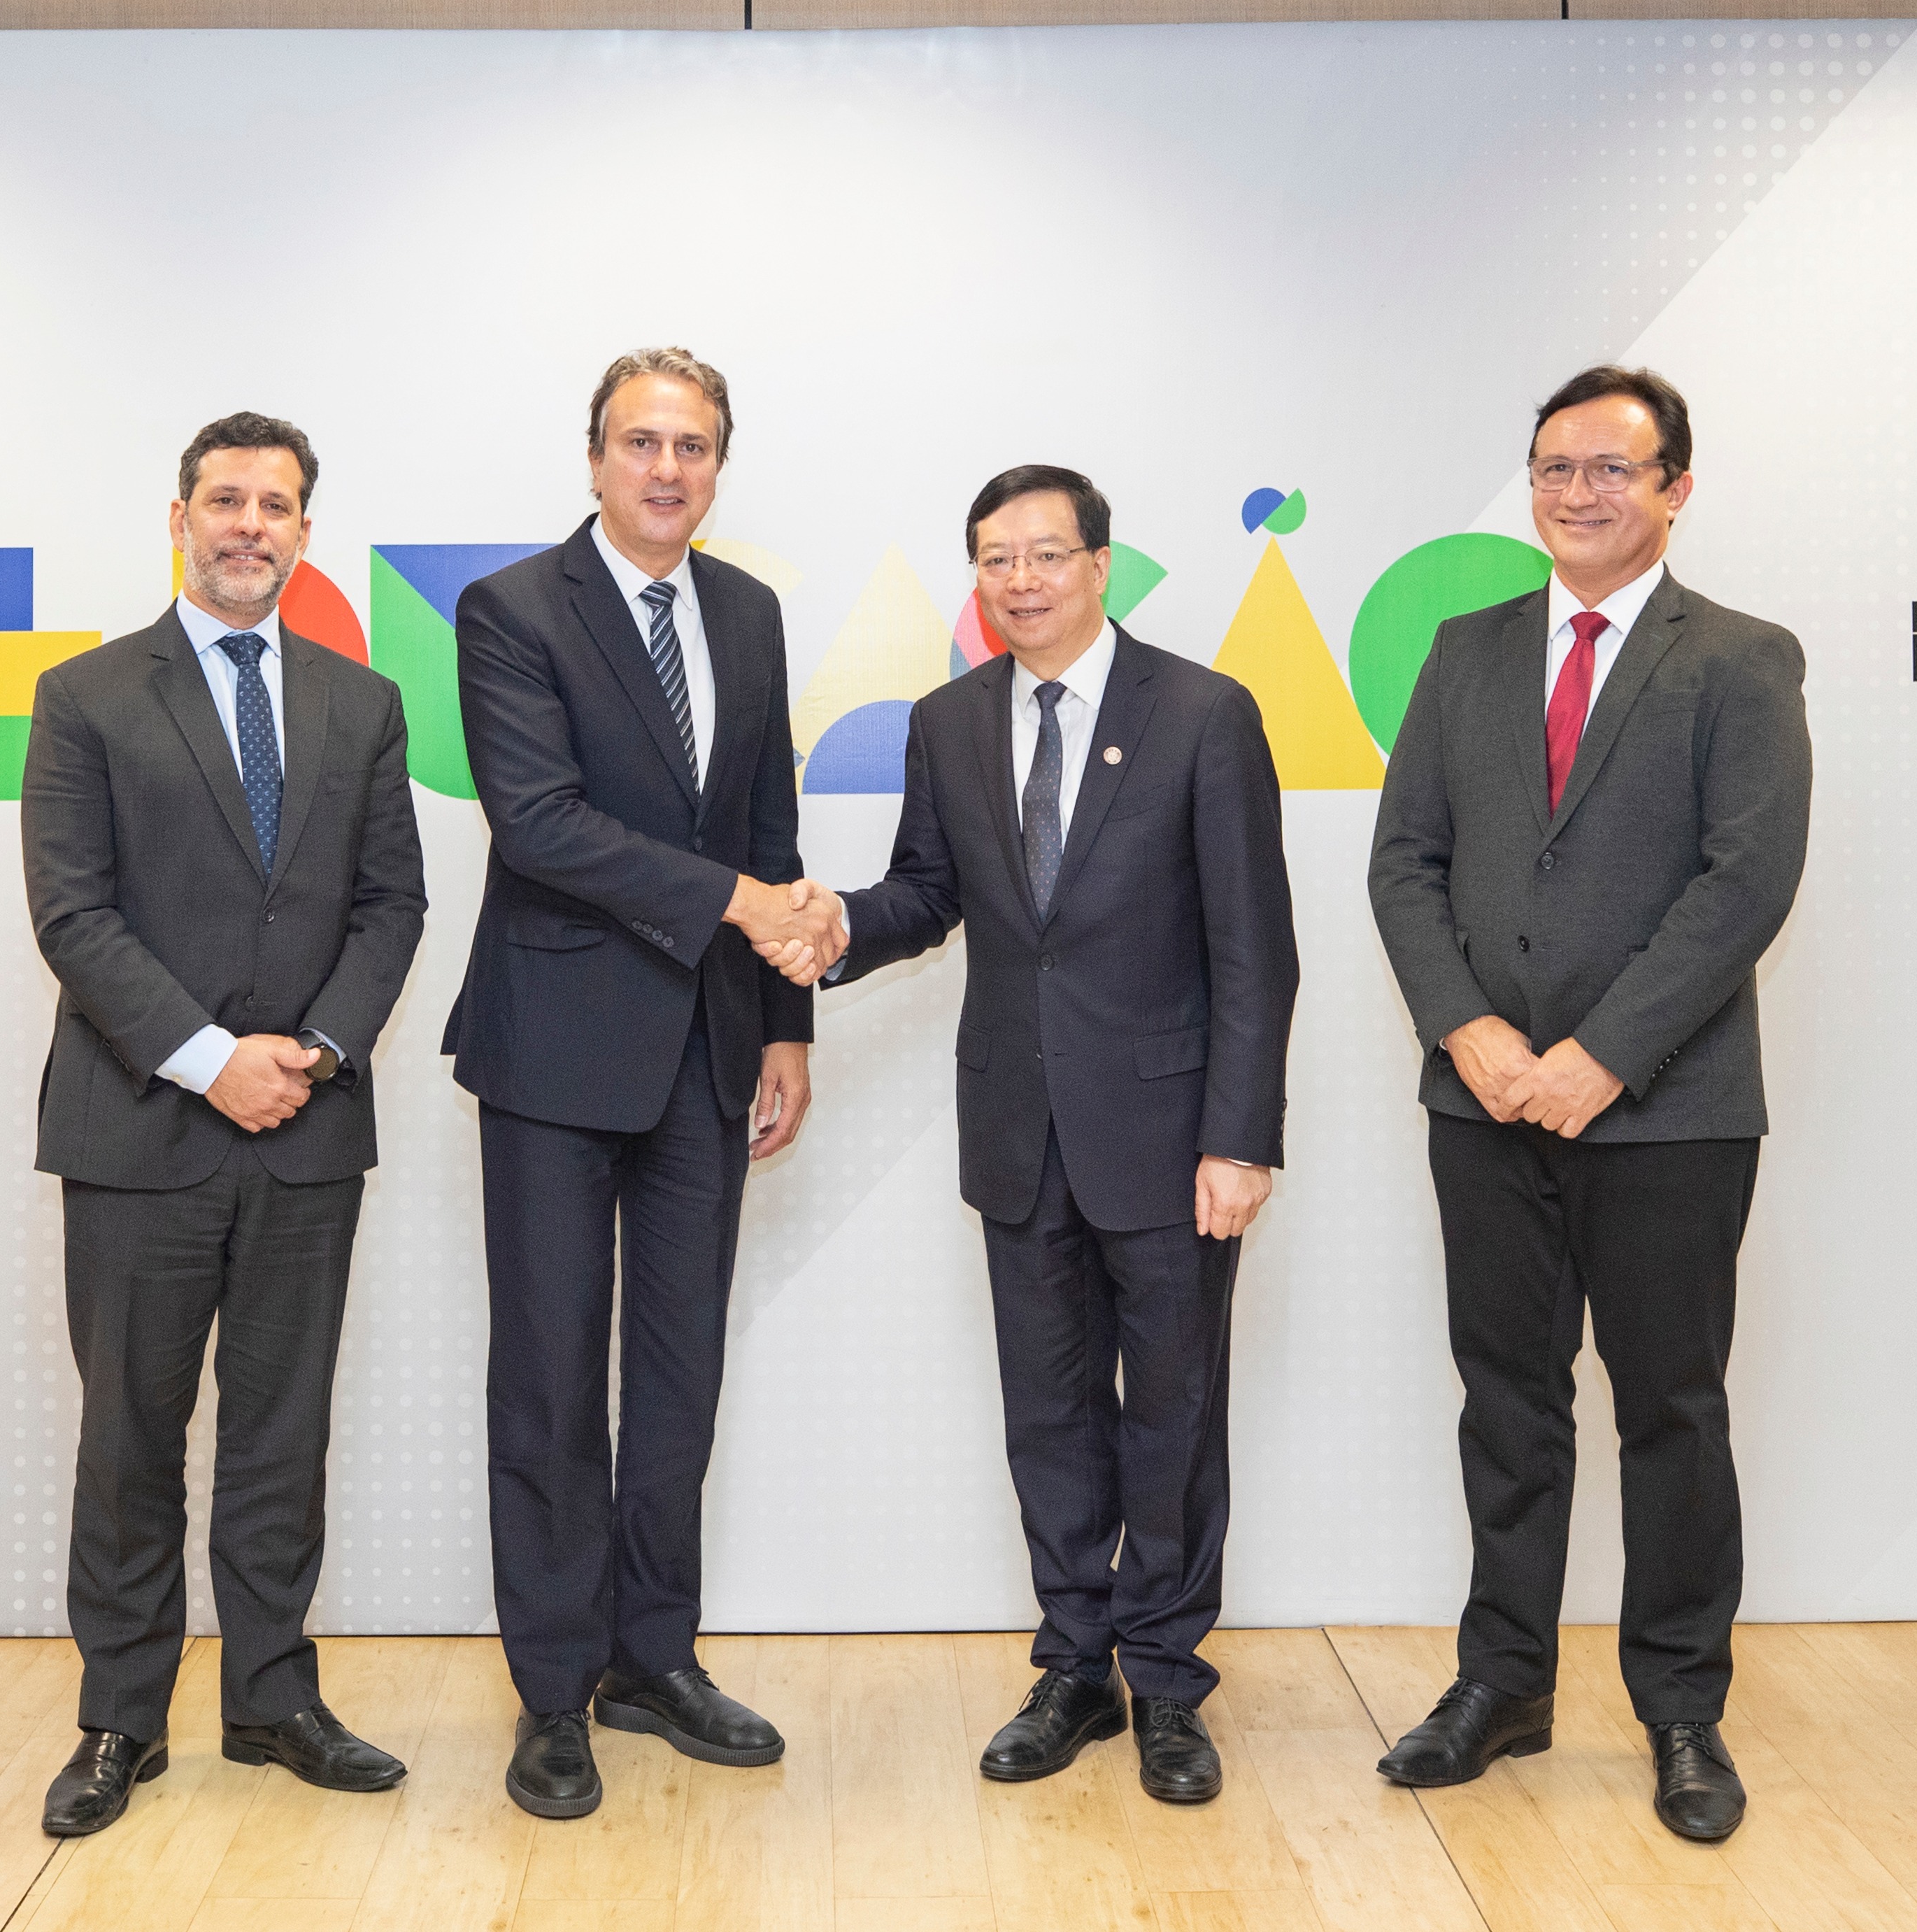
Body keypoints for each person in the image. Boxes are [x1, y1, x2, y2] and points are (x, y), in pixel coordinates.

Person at [767, 464, 1297, 1806]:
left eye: (1047, 554)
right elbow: (929, 893)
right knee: (1048, 1414)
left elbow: (1255, 946)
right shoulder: (948, 721)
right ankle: (1075, 1666)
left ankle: (1165, 1677)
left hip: (1172, 1136)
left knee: (1172, 1415)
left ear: (1100, 565)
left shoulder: (1204, 712)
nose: (1022, 580)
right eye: (997, 559)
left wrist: (1241, 1137)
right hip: (1017, 1124)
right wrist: (840, 925)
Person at [1367, 367, 1809, 1843]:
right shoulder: (1465, 649)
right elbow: (1404, 863)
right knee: (1506, 1400)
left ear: (1675, 486)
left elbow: (1743, 883)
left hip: (1668, 1113)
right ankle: (1501, 1684)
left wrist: (1601, 1055)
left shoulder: (1739, 659)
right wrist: (1470, 1031)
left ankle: (1680, 1708)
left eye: (1611, 469)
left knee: (1670, 1408)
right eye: (1554, 467)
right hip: (1483, 1102)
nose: (1577, 492)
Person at [443, 347, 841, 1821]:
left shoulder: (747, 611)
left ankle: (651, 1657)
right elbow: (538, 823)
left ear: (718, 466)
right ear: (595, 457)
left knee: (679, 1374)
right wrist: (737, 902)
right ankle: (554, 1691)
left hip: (709, 1051)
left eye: (692, 446)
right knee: (552, 1381)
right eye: (640, 442)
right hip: (554, 1051)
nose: (666, 469)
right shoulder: (511, 610)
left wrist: (788, 1022)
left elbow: (768, 819)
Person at [20, 411, 429, 1838]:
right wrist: (211, 1061)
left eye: (277, 504)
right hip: (139, 1131)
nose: (250, 524)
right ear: (180, 517)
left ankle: (269, 1700)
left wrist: (311, 1051)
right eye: (225, 500)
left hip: (308, 1129)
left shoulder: (360, 704)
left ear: (306, 529)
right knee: (130, 1441)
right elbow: (73, 913)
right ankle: (119, 1720)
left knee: (280, 1436)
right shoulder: (84, 696)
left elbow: (392, 905)